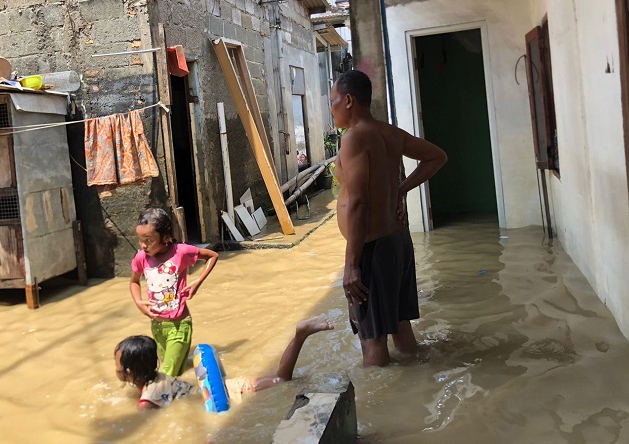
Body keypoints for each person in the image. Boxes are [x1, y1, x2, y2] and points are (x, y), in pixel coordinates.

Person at [331, 70, 448, 367]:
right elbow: (437, 156)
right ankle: (416, 384)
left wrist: (351, 265)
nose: (331, 108)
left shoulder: (355, 137)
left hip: (373, 248)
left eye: (333, 101)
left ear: (348, 100)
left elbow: (359, 203)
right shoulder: (390, 133)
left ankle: (381, 396)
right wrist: (400, 189)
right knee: (399, 325)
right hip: (397, 241)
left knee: (372, 341)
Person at [114, 315, 335, 411]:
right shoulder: (160, 375)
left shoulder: (146, 402)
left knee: (283, 380)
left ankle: (300, 334)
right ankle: (300, 335)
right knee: (280, 380)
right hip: (224, 386)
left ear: (129, 371)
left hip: (227, 397)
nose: (115, 369)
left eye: (117, 365)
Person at [130, 208, 219, 377]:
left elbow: (212, 256)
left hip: (179, 325)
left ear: (166, 238)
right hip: (157, 326)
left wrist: (198, 281)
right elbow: (134, 281)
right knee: (173, 372)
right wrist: (138, 302)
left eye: (148, 240)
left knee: (166, 375)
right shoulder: (141, 257)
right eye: (140, 240)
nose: (143, 245)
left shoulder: (181, 252)